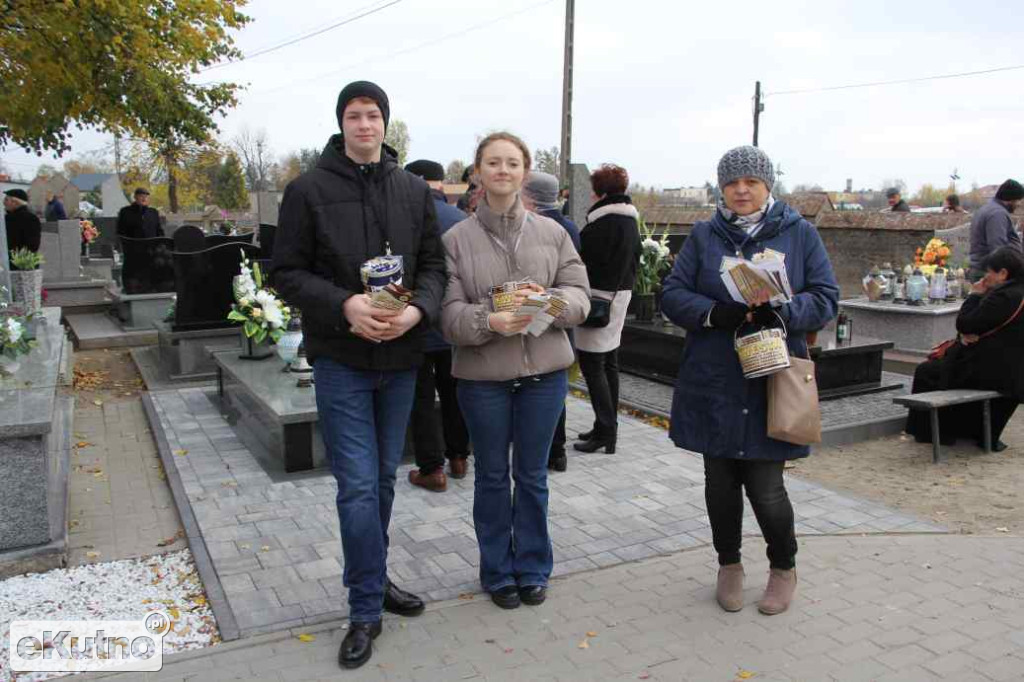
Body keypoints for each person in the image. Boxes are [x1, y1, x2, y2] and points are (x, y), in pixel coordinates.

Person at [271, 81, 447, 670]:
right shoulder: (308, 190)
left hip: (399, 358)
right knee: (358, 486)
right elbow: (286, 272)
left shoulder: (413, 190)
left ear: (386, 123)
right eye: (354, 116)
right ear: (341, 123)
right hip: (342, 359)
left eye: (373, 115)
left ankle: (374, 579)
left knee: (384, 480)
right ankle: (364, 606)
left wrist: (418, 310)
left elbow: (433, 267)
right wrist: (346, 304)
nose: (364, 125)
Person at [661, 145, 839, 617]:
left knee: (765, 488)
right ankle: (729, 565)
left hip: (771, 379)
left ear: (767, 185)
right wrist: (714, 312)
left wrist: (784, 307)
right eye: (732, 183)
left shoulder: (800, 234)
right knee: (719, 485)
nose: (741, 190)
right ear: (722, 187)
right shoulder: (703, 236)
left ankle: (783, 567)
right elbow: (673, 294)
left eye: (751, 182)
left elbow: (826, 298)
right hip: (715, 378)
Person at [441, 132, 590, 611]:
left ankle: (532, 567)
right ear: (478, 172)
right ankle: (497, 571)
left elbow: (582, 295)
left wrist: (550, 302)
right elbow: (447, 315)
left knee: (531, 477)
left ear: (524, 171)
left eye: (511, 163)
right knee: (490, 478)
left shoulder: (554, 234)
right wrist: (489, 320)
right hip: (483, 379)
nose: (502, 171)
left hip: (544, 377)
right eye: (492, 163)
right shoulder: (455, 241)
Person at [906, 246, 1024, 451]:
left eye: (990, 272)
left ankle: (932, 432)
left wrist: (975, 295)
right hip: (1015, 372)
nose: (986, 276)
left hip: (991, 372)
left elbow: (965, 324)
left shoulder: (1003, 297)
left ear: (1003, 273)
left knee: (927, 371)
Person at [403, 159, 471, 491]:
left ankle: (432, 468)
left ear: (414, 179)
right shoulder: (462, 219)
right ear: (441, 183)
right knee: (454, 392)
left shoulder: (406, 218)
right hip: (455, 323)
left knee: (421, 398)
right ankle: (459, 457)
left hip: (416, 321)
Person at [573, 164, 641, 455]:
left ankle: (605, 430)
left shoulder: (601, 224)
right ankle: (606, 428)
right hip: (620, 297)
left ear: (599, 192)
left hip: (598, 299)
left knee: (592, 366)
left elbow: (581, 264)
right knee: (609, 363)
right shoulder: (629, 221)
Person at [523, 171, 581, 473]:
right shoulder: (570, 225)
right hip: (563, 318)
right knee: (557, 391)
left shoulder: (540, 227)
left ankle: (545, 449)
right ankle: (556, 450)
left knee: (542, 388)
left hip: (536, 315)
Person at [968, 179, 1023, 282]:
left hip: (985, 270)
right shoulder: (997, 214)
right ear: (1011, 199)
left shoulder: (988, 209)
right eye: (1019, 200)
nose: (1019, 204)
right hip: (991, 274)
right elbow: (998, 248)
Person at [4, 189, 42, 254]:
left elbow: (32, 246)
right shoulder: (7, 217)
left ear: (15, 202)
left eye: (6, 200)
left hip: (19, 262)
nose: (3, 202)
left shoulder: (30, 219)